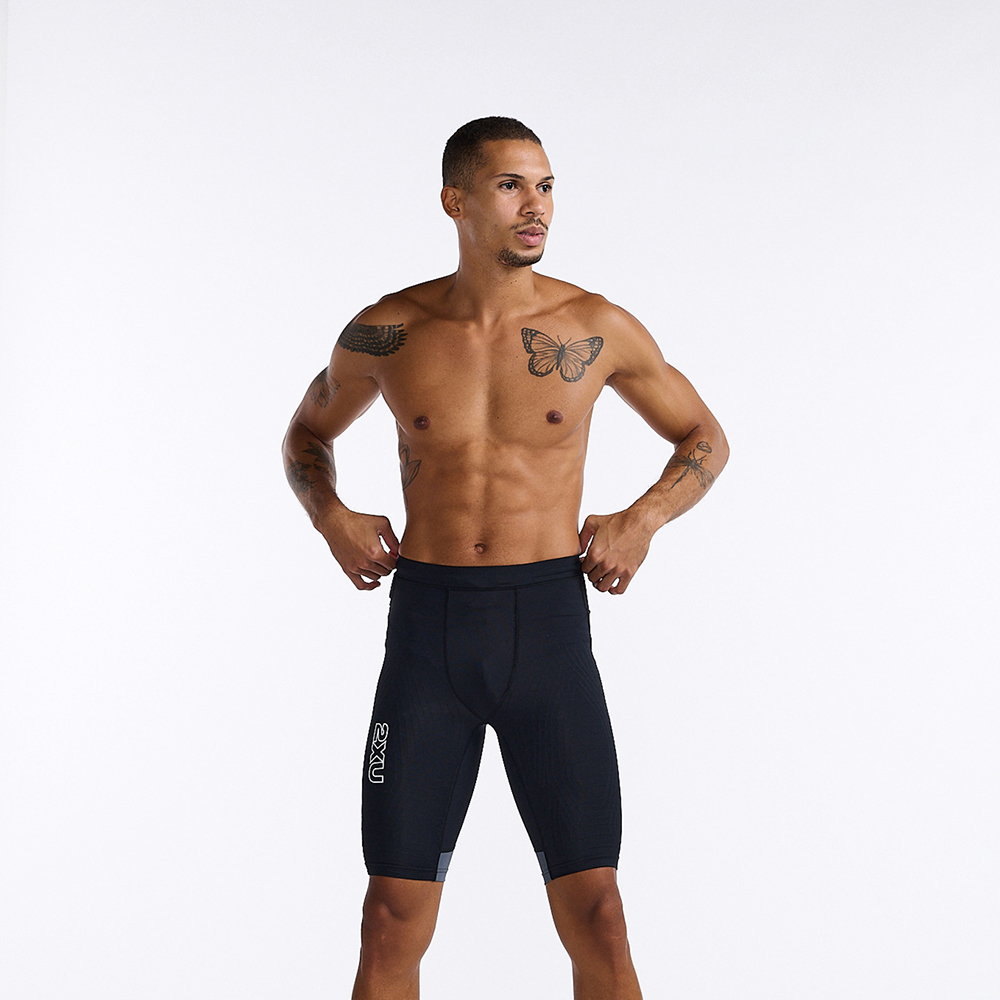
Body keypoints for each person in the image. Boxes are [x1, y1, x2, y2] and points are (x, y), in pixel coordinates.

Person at [282, 116, 728, 1000]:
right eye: (512, 186)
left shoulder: (594, 325)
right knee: (389, 917)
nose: (537, 207)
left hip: (547, 627)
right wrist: (328, 513)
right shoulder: (387, 330)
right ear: (456, 201)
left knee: (599, 913)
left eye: (547, 186)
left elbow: (704, 437)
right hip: (428, 634)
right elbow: (307, 429)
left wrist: (642, 519)